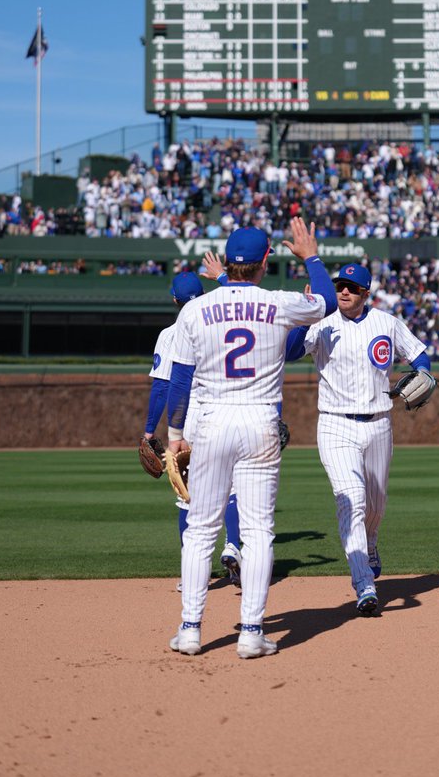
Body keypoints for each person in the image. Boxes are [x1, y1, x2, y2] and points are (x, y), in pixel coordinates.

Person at [165, 217, 337, 659]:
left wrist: (174, 436)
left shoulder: (194, 309)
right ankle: (251, 633)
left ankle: (189, 629)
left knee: (201, 529)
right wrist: (310, 256)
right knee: (259, 532)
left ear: (225, 262)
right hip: (260, 420)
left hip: (211, 421)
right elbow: (329, 302)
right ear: (264, 263)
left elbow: (180, 380)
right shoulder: (277, 302)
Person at [286, 262, 431, 616]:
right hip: (335, 425)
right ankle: (364, 585)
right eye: (340, 285)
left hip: (379, 423)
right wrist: (303, 317)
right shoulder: (321, 323)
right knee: (351, 501)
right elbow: (289, 353)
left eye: (352, 287)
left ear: (366, 293)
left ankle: (370, 543)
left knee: (376, 505)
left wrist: (425, 373)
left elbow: (419, 354)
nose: (344, 291)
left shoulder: (386, 323)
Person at [143, 270, 242, 589]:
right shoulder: (225, 326)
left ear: (174, 300)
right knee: (233, 489)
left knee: (188, 496)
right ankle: (233, 546)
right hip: (230, 412)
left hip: (191, 419)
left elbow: (162, 388)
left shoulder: (171, 334)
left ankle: (192, 572)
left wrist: (148, 432)